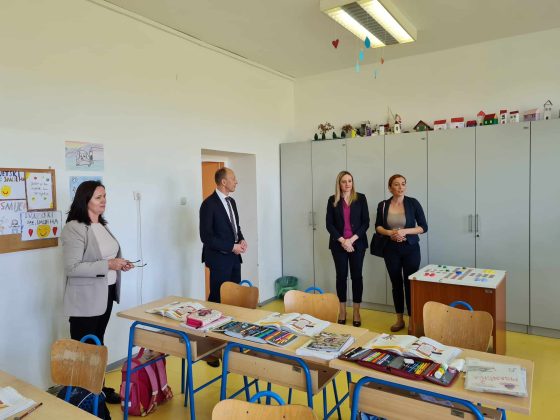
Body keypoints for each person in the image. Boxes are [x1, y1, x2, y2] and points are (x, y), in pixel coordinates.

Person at [61, 180, 134, 404]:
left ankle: (98, 391)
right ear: (85, 200)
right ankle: (86, 399)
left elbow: (106, 257)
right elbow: (72, 268)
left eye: (104, 196)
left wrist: (120, 263)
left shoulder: (101, 224)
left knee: (98, 344)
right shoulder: (74, 228)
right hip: (85, 300)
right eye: (98, 197)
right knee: (86, 350)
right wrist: (109, 265)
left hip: (106, 294)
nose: (104, 201)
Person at [375, 174, 428, 332]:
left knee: (409, 284)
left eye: (403, 184)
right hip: (391, 250)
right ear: (390, 187)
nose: (400, 187)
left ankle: (412, 320)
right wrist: (390, 233)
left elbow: (423, 227)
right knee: (396, 284)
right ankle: (399, 320)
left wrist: (405, 231)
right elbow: (378, 226)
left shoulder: (413, 203)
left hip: (411, 249)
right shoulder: (383, 205)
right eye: (396, 184)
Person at [326, 171, 370, 327]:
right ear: (339, 184)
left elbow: (366, 222)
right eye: (344, 181)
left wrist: (351, 240)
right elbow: (329, 224)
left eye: (350, 181)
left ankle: (356, 311)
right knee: (341, 277)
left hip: (357, 244)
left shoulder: (361, 198)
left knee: (357, 277)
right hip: (339, 245)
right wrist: (343, 241)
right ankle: (342, 311)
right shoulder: (332, 200)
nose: (347, 184)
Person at [200, 167, 247, 302]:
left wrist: (241, 239)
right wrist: (232, 246)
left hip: (235, 258)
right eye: (233, 179)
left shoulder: (232, 202)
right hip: (219, 260)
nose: (236, 182)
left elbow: (235, 227)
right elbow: (206, 237)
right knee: (218, 298)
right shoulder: (208, 204)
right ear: (224, 182)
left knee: (234, 297)